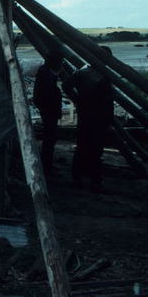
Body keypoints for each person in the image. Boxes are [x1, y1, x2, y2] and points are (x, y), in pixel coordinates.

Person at [62, 46, 115, 193]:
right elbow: (108, 101)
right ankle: (94, 181)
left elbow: (66, 86)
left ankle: (79, 178)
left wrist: (77, 99)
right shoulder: (102, 75)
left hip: (86, 115)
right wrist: (109, 121)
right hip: (98, 117)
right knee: (95, 150)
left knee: (83, 147)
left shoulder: (83, 71)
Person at [33, 51, 64, 175]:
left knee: (50, 138)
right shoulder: (46, 74)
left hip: (48, 109)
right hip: (49, 109)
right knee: (50, 138)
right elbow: (49, 93)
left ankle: (47, 164)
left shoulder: (45, 72)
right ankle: (46, 166)